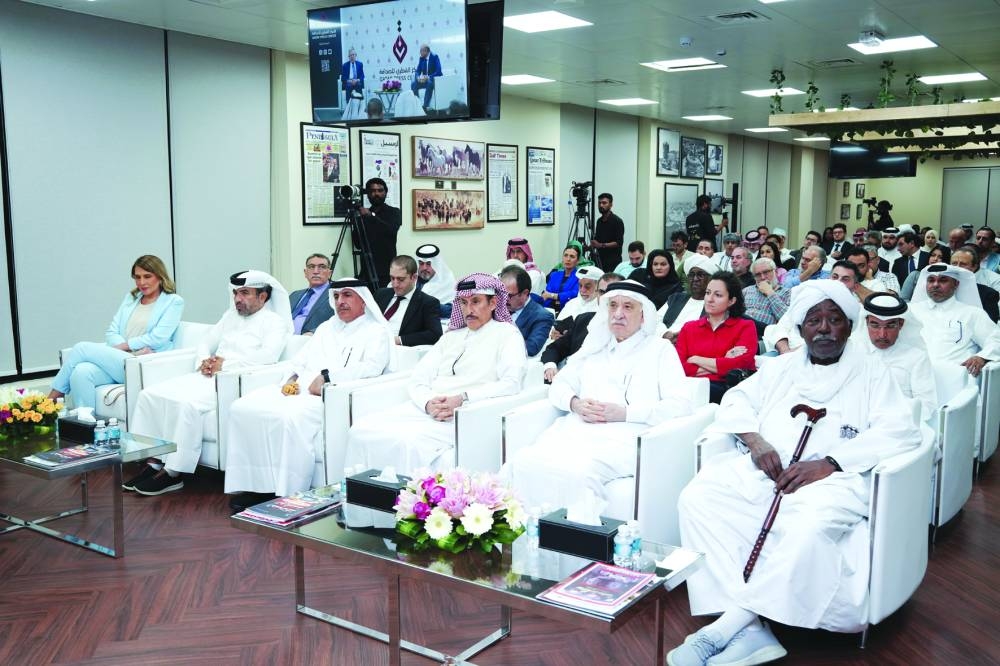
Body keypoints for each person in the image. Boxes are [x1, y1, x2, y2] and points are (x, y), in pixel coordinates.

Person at [670, 280, 920, 666]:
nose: (824, 328)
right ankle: (753, 632)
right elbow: (736, 400)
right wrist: (757, 443)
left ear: (849, 327)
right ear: (801, 329)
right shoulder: (780, 368)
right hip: (770, 470)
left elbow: (900, 430)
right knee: (698, 499)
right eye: (814, 320)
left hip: (835, 480)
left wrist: (830, 463)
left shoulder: (873, 372)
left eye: (834, 320)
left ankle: (727, 626)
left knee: (807, 526)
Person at [507, 280, 694, 511]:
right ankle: (527, 540)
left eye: (628, 307)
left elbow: (681, 405)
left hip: (627, 434)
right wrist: (575, 404)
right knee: (525, 461)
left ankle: (574, 541)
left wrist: (625, 413)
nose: (618, 314)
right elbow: (559, 385)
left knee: (578, 471)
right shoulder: (595, 347)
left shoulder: (660, 350)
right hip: (576, 429)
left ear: (643, 315)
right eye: (613, 305)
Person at [224, 278, 391, 504]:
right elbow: (299, 360)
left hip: (328, 397)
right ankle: (254, 484)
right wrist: (290, 378)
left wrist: (327, 378)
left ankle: (284, 492)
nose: (340, 301)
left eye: (347, 295)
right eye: (336, 296)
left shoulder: (376, 331)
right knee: (242, 407)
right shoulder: (326, 327)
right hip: (297, 389)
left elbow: (372, 367)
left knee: (288, 418)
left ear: (363, 300)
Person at [127, 271, 292, 496]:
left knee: (186, 404)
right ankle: (154, 461)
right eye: (235, 293)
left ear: (262, 297)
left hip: (236, 381)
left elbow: (268, 357)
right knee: (150, 394)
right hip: (207, 375)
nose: (237, 299)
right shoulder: (230, 316)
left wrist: (225, 365)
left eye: (245, 293)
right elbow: (206, 342)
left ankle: (174, 473)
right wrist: (204, 359)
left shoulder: (274, 322)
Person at [345, 273, 526, 474]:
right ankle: (359, 499)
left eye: (476, 302)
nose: (469, 310)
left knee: (407, 442)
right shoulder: (451, 337)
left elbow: (511, 383)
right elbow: (418, 379)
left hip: (466, 413)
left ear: (493, 303)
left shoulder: (508, 335)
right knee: (362, 430)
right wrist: (428, 403)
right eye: (463, 303)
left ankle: (404, 502)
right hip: (429, 409)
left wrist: (462, 399)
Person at [49, 255, 184, 410]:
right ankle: (86, 425)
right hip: (122, 359)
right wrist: (124, 349)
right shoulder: (131, 298)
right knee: (80, 373)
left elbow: (158, 338)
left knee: (81, 347)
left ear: (160, 277)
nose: (142, 282)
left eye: (147, 276)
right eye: (137, 277)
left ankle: (51, 400)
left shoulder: (173, 301)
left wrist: (123, 347)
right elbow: (112, 331)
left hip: (144, 362)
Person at [675, 272, 757, 404]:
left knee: (691, 393)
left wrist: (696, 359)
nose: (709, 299)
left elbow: (741, 364)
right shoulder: (689, 327)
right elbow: (678, 367)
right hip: (690, 386)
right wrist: (723, 361)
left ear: (731, 301)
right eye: (708, 293)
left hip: (728, 390)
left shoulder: (745, 326)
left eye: (718, 295)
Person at [909, 264, 1000, 377]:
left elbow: (995, 340)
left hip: (956, 381)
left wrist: (981, 357)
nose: (935, 285)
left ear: (956, 284)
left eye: (943, 280)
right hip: (915, 377)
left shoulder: (972, 313)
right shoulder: (911, 310)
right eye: (931, 280)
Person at [860, 293, 937, 425]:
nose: (882, 334)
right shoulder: (856, 353)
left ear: (900, 324)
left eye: (890, 326)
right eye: (875, 325)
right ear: (866, 322)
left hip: (899, 427)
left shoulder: (916, 358)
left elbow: (926, 406)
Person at [542, 273, 622, 381]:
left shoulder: (627, 330)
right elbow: (554, 348)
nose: (605, 297)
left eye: (611, 292)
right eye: (602, 292)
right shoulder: (583, 320)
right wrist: (550, 367)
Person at [376, 255, 442, 347]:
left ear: (414, 278)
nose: (395, 284)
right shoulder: (381, 294)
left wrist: (399, 340)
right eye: (392, 278)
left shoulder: (427, 303)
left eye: (401, 279)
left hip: (399, 351)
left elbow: (435, 334)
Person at [659, 254, 719, 342]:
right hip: (663, 341)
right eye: (691, 275)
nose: (695, 279)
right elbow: (655, 319)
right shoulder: (676, 298)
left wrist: (683, 338)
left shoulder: (714, 304)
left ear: (710, 279)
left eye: (700, 275)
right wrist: (664, 333)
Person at [357, 177, 402, 288]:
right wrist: (358, 220)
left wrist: (371, 216)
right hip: (366, 269)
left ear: (385, 192)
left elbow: (391, 231)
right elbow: (358, 244)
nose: (376, 194)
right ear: (367, 194)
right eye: (372, 191)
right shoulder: (363, 215)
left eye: (380, 190)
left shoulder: (394, 212)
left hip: (386, 269)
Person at [501, 265, 554, 357]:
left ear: (525, 293)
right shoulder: (496, 307)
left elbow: (531, 348)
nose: (504, 299)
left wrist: (497, 341)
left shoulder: (542, 316)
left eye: (509, 296)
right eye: (501, 294)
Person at [743, 257, 791, 335]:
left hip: (765, 335)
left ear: (775, 272)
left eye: (766, 272)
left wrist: (770, 293)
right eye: (758, 274)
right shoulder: (746, 291)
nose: (763, 277)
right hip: (742, 331)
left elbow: (787, 319)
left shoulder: (787, 293)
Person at [289, 254, 334, 335]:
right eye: (311, 267)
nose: (316, 271)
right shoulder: (294, 295)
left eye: (322, 267)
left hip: (315, 342)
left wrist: (315, 332)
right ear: (305, 272)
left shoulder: (336, 295)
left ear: (329, 273)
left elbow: (341, 322)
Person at [416, 243, 457, 318]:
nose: (424, 268)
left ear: (437, 264)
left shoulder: (447, 280)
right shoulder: (412, 280)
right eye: (421, 263)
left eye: (429, 264)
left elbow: (452, 310)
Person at [542, 242, 585, 310]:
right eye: (566, 255)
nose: (568, 259)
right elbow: (546, 294)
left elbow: (574, 294)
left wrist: (553, 296)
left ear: (578, 261)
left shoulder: (580, 277)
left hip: (570, 311)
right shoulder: (554, 275)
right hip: (550, 310)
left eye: (572, 256)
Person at [591, 192, 624, 269]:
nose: (601, 205)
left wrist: (601, 245)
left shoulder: (617, 221)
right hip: (599, 261)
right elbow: (597, 239)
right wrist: (589, 247)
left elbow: (619, 242)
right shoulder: (599, 221)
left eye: (604, 203)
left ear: (611, 204)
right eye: (599, 203)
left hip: (613, 262)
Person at [410, 44, 442, 112]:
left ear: (426, 51)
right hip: (425, 81)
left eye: (421, 51)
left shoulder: (435, 57)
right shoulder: (421, 58)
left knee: (429, 83)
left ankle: (425, 106)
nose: (420, 53)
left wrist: (428, 77)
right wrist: (418, 77)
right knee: (413, 84)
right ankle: (417, 105)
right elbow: (417, 71)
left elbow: (438, 71)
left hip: (435, 81)